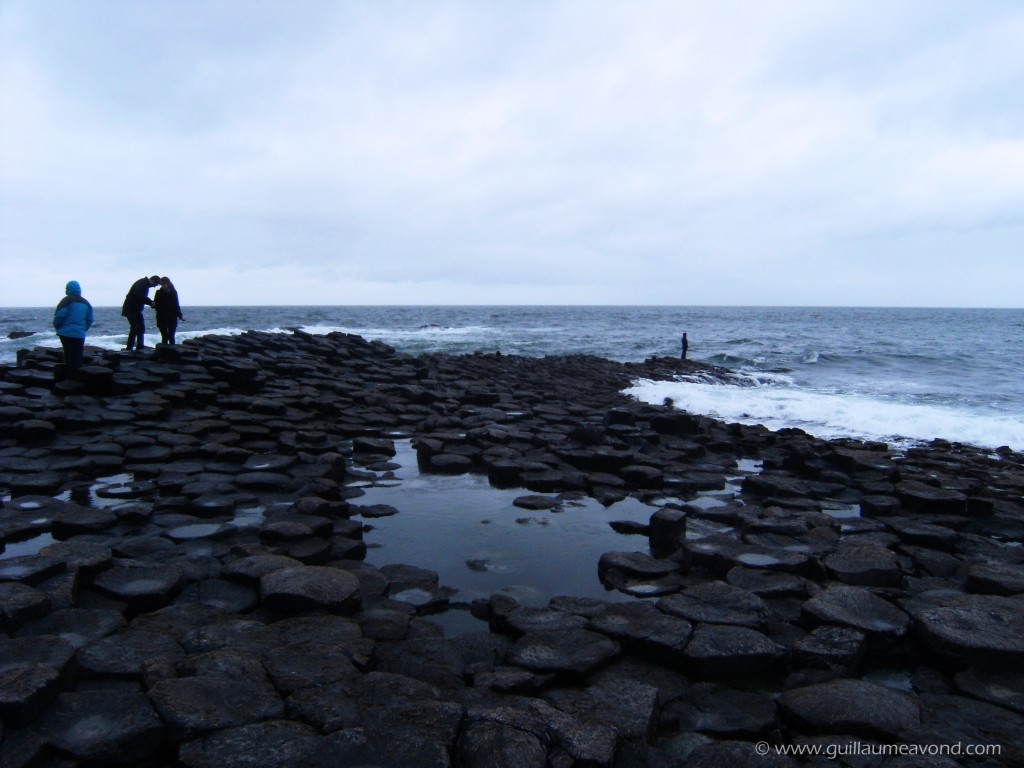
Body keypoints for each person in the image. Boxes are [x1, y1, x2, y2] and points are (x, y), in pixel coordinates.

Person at [53, 280, 94, 379]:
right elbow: (90, 319)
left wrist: (57, 326)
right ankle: (77, 378)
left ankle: (69, 379)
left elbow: (60, 316)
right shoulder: (86, 303)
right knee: (78, 356)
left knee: (68, 355)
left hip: (65, 334)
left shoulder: (66, 301)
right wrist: (83, 329)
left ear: (69, 289)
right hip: (79, 334)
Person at [121, 275, 161, 351]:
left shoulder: (143, 283)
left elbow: (140, 297)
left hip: (134, 309)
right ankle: (131, 347)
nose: (154, 286)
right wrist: (150, 302)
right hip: (131, 309)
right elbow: (139, 295)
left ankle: (138, 346)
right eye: (155, 284)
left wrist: (150, 302)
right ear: (153, 281)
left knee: (139, 328)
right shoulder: (142, 284)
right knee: (135, 328)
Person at [153, 276, 185, 345]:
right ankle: (164, 352)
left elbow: (176, 304)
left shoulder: (173, 292)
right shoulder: (158, 292)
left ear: (168, 284)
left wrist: (180, 316)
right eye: (161, 284)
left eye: (164, 284)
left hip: (172, 316)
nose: (163, 286)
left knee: (171, 335)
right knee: (164, 336)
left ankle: (172, 352)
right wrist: (153, 305)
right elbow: (156, 304)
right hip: (161, 316)